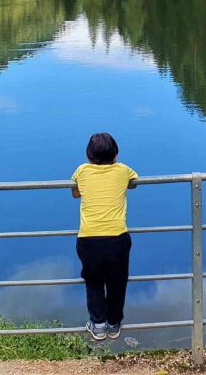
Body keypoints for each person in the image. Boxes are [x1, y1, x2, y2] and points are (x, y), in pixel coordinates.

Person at [71, 132, 138, 341]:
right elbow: (134, 183)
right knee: (118, 283)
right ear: (116, 155)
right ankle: (114, 323)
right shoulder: (122, 170)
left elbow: (75, 193)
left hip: (89, 240)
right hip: (117, 239)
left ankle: (98, 324)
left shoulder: (81, 171)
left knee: (93, 282)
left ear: (88, 156)